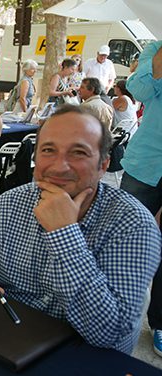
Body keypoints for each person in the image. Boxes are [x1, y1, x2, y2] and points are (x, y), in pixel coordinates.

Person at [0, 105, 161, 354]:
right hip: (12, 341)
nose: (60, 166)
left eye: (78, 153)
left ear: (103, 165)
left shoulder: (133, 223)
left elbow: (107, 332)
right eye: (48, 150)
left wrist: (64, 233)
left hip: (86, 358)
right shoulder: (13, 203)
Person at [121, 40, 162, 357]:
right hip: (145, 165)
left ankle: (160, 322)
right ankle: (114, 311)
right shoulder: (154, 48)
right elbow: (141, 89)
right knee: (124, 240)